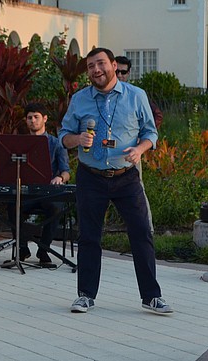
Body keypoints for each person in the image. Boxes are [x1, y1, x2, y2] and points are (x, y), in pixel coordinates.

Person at [59, 47, 173, 315]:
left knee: (142, 234)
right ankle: (85, 295)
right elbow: (63, 134)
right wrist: (77, 139)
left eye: (100, 64)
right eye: (90, 66)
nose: (96, 70)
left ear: (113, 65)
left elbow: (150, 133)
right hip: (91, 176)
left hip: (126, 177)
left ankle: (151, 296)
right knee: (88, 236)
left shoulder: (136, 96)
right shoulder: (79, 99)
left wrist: (140, 150)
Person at [6, 102, 71, 266]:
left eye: (36, 117)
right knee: (12, 205)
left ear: (45, 119)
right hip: (27, 192)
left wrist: (60, 179)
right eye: (29, 118)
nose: (33, 121)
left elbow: (66, 171)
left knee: (56, 207)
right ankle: (22, 248)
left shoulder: (56, 144)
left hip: (48, 192)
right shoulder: (20, 144)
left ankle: (44, 249)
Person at [115, 55, 160, 233]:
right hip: (104, 157)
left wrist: (142, 140)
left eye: (123, 72)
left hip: (131, 152)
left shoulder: (135, 94)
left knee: (137, 190)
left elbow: (156, 116)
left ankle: (147, 229)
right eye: (116, 71)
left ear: (128, 73)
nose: (119, 75)